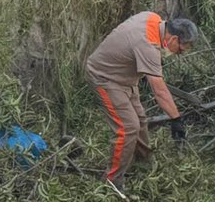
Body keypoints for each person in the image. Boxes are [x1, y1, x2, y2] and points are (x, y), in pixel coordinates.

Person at [85, 12, 198, 187]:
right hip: (104, 77)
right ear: (174, 39)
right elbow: (159, 91)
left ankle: (143, 163)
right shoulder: (148, 46)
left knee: (140, 120)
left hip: (125, 76)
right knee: (128, 128)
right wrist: (176, 119)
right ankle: (111, 181)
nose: (179, 54)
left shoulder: (152, 18)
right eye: (181, 50)